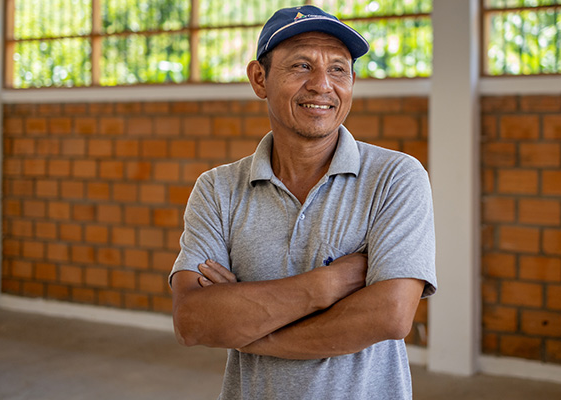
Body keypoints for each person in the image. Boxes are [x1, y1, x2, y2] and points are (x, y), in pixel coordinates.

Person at [169, 5, 437, 399]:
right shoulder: (218, 188)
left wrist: (250, 330)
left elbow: (390, 316)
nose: (322, 85)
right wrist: (328, 284)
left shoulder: (395, 177)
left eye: (338, 69)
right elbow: (193, 320)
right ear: (259, 78)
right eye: (300, 66)